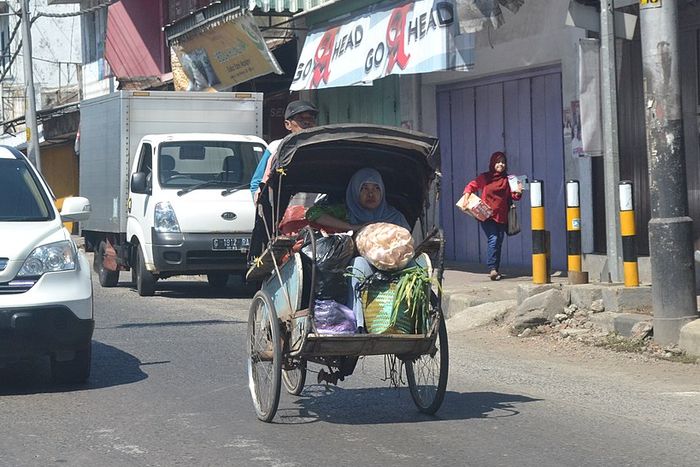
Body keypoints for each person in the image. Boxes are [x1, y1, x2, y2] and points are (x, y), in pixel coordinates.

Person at [308, 167, 410, 332]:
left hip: (395, 266)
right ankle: (359, 325)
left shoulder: (394, 216)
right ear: (355, 191)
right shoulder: (347, 211)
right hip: (360, 265)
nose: (371, 194)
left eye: (376, 188)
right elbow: (313, 214)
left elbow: (408, 243)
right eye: (364, 188)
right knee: (359, 265)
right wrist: (352, 227)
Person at [463, 151, 522, 281]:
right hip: (486, 214)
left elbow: (514, 196)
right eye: (498, 162)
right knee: (493, 238)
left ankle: (496, 268)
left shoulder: (509, 179)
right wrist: (466, 198)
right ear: (492, 163)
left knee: (499, 242)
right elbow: (472, 186)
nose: (500, 164)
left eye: (503, 162)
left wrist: (518, 191)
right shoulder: (486, 177)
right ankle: (492, 269)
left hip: (502, 216)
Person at [249, 100, 318, 202]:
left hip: (317, 211)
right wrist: (262, 207)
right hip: (283, 212)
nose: (307, 122)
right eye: (300, 118)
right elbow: (257, 183)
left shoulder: (321, 146)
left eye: (310, 118)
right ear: (287, 124)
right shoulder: (276, 147)